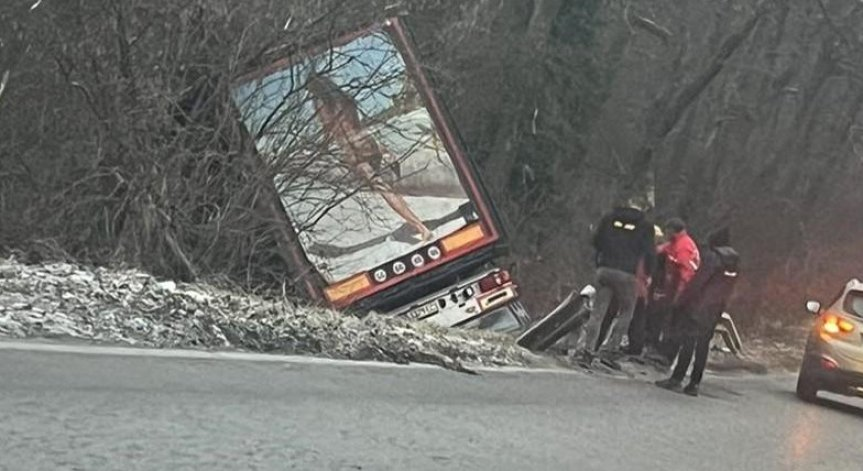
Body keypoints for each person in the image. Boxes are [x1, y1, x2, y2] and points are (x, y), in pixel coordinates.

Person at [305, 71, 433, 242]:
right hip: (367, 141)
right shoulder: (344, 98)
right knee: (389, 187)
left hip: (352, 150)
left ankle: (420, 227)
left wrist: (320, 149)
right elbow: (358, 123)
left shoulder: (321, 103)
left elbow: (329, 129)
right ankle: (415, 220)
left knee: (384, 189)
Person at [655, 227, 740, 396]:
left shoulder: (712, 258)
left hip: (698, 306)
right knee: (703, 346)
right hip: (716, 308)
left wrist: (681, 302)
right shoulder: (734, 263)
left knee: (688, 342)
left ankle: (677, 378)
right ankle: (694, 383)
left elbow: (697, 283)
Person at [576, 201, 656, 368]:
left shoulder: (609, 217)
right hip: (627, 274)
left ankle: (587, 352)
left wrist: (601, 259)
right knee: (626, 312)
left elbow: (596, 241)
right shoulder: (645, 225)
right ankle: (610, 351)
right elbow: (649, 253)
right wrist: (648, 273)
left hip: (604, 269)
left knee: (598, 313)